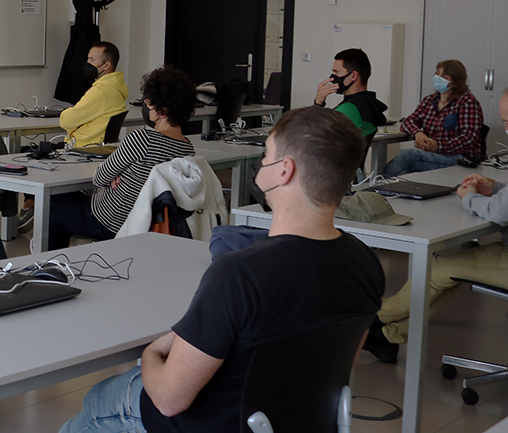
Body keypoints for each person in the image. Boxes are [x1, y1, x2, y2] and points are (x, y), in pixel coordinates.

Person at [60, 106, 385, 433]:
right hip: (282, 418)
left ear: (285, 170)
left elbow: (170, 400)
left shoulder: (241, 274)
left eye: (267, 152)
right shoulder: (365, 264)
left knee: (101, 397)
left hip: (209, 421)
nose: (262, 159)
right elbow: (333, 368)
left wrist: (152, 352)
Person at [364, 88, 508, 363]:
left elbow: (500, 212)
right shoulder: (431, 101)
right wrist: (496, 187)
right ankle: (388, 335)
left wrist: (470, 197)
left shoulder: (466, 103)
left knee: (439, 267)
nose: (505, 128)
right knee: (447, 271)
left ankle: (371, 318)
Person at [47, 65, 197, 249]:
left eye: (149, 104)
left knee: (52, 206)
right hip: (145, 223)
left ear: (162, 110)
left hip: (109, 220)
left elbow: (100, 178)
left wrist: (116, 174)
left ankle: (49, 267)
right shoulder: (188, 150)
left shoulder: (143, 139)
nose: (146, 108)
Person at [383, 59, 484, 176]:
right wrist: (417, 133)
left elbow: (470, 139)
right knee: (404, 173)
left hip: (460, 159)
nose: (438, 78)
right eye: (437, 74)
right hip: (434, 156)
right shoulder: (429, 101)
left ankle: (377, 187)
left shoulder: (467, 102)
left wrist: (439, 146)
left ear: (456, 83)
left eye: (444, 76)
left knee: (407, 156)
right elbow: (408, 121)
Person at [59, 42, 128, 148]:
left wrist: (70, 112)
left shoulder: (101, 91)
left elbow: (65, 121)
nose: (87, 63)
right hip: (97, 148)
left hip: (82, 149)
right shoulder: (117, 88)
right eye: (88, 59)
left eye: (92, 59)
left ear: (106, 65)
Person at [313, 48, 388, 137]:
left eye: (337, 72)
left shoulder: (349, 109)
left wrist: (318, 103)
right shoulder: (369, 103)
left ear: (354, 76)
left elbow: (314, 133)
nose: (333, 77)